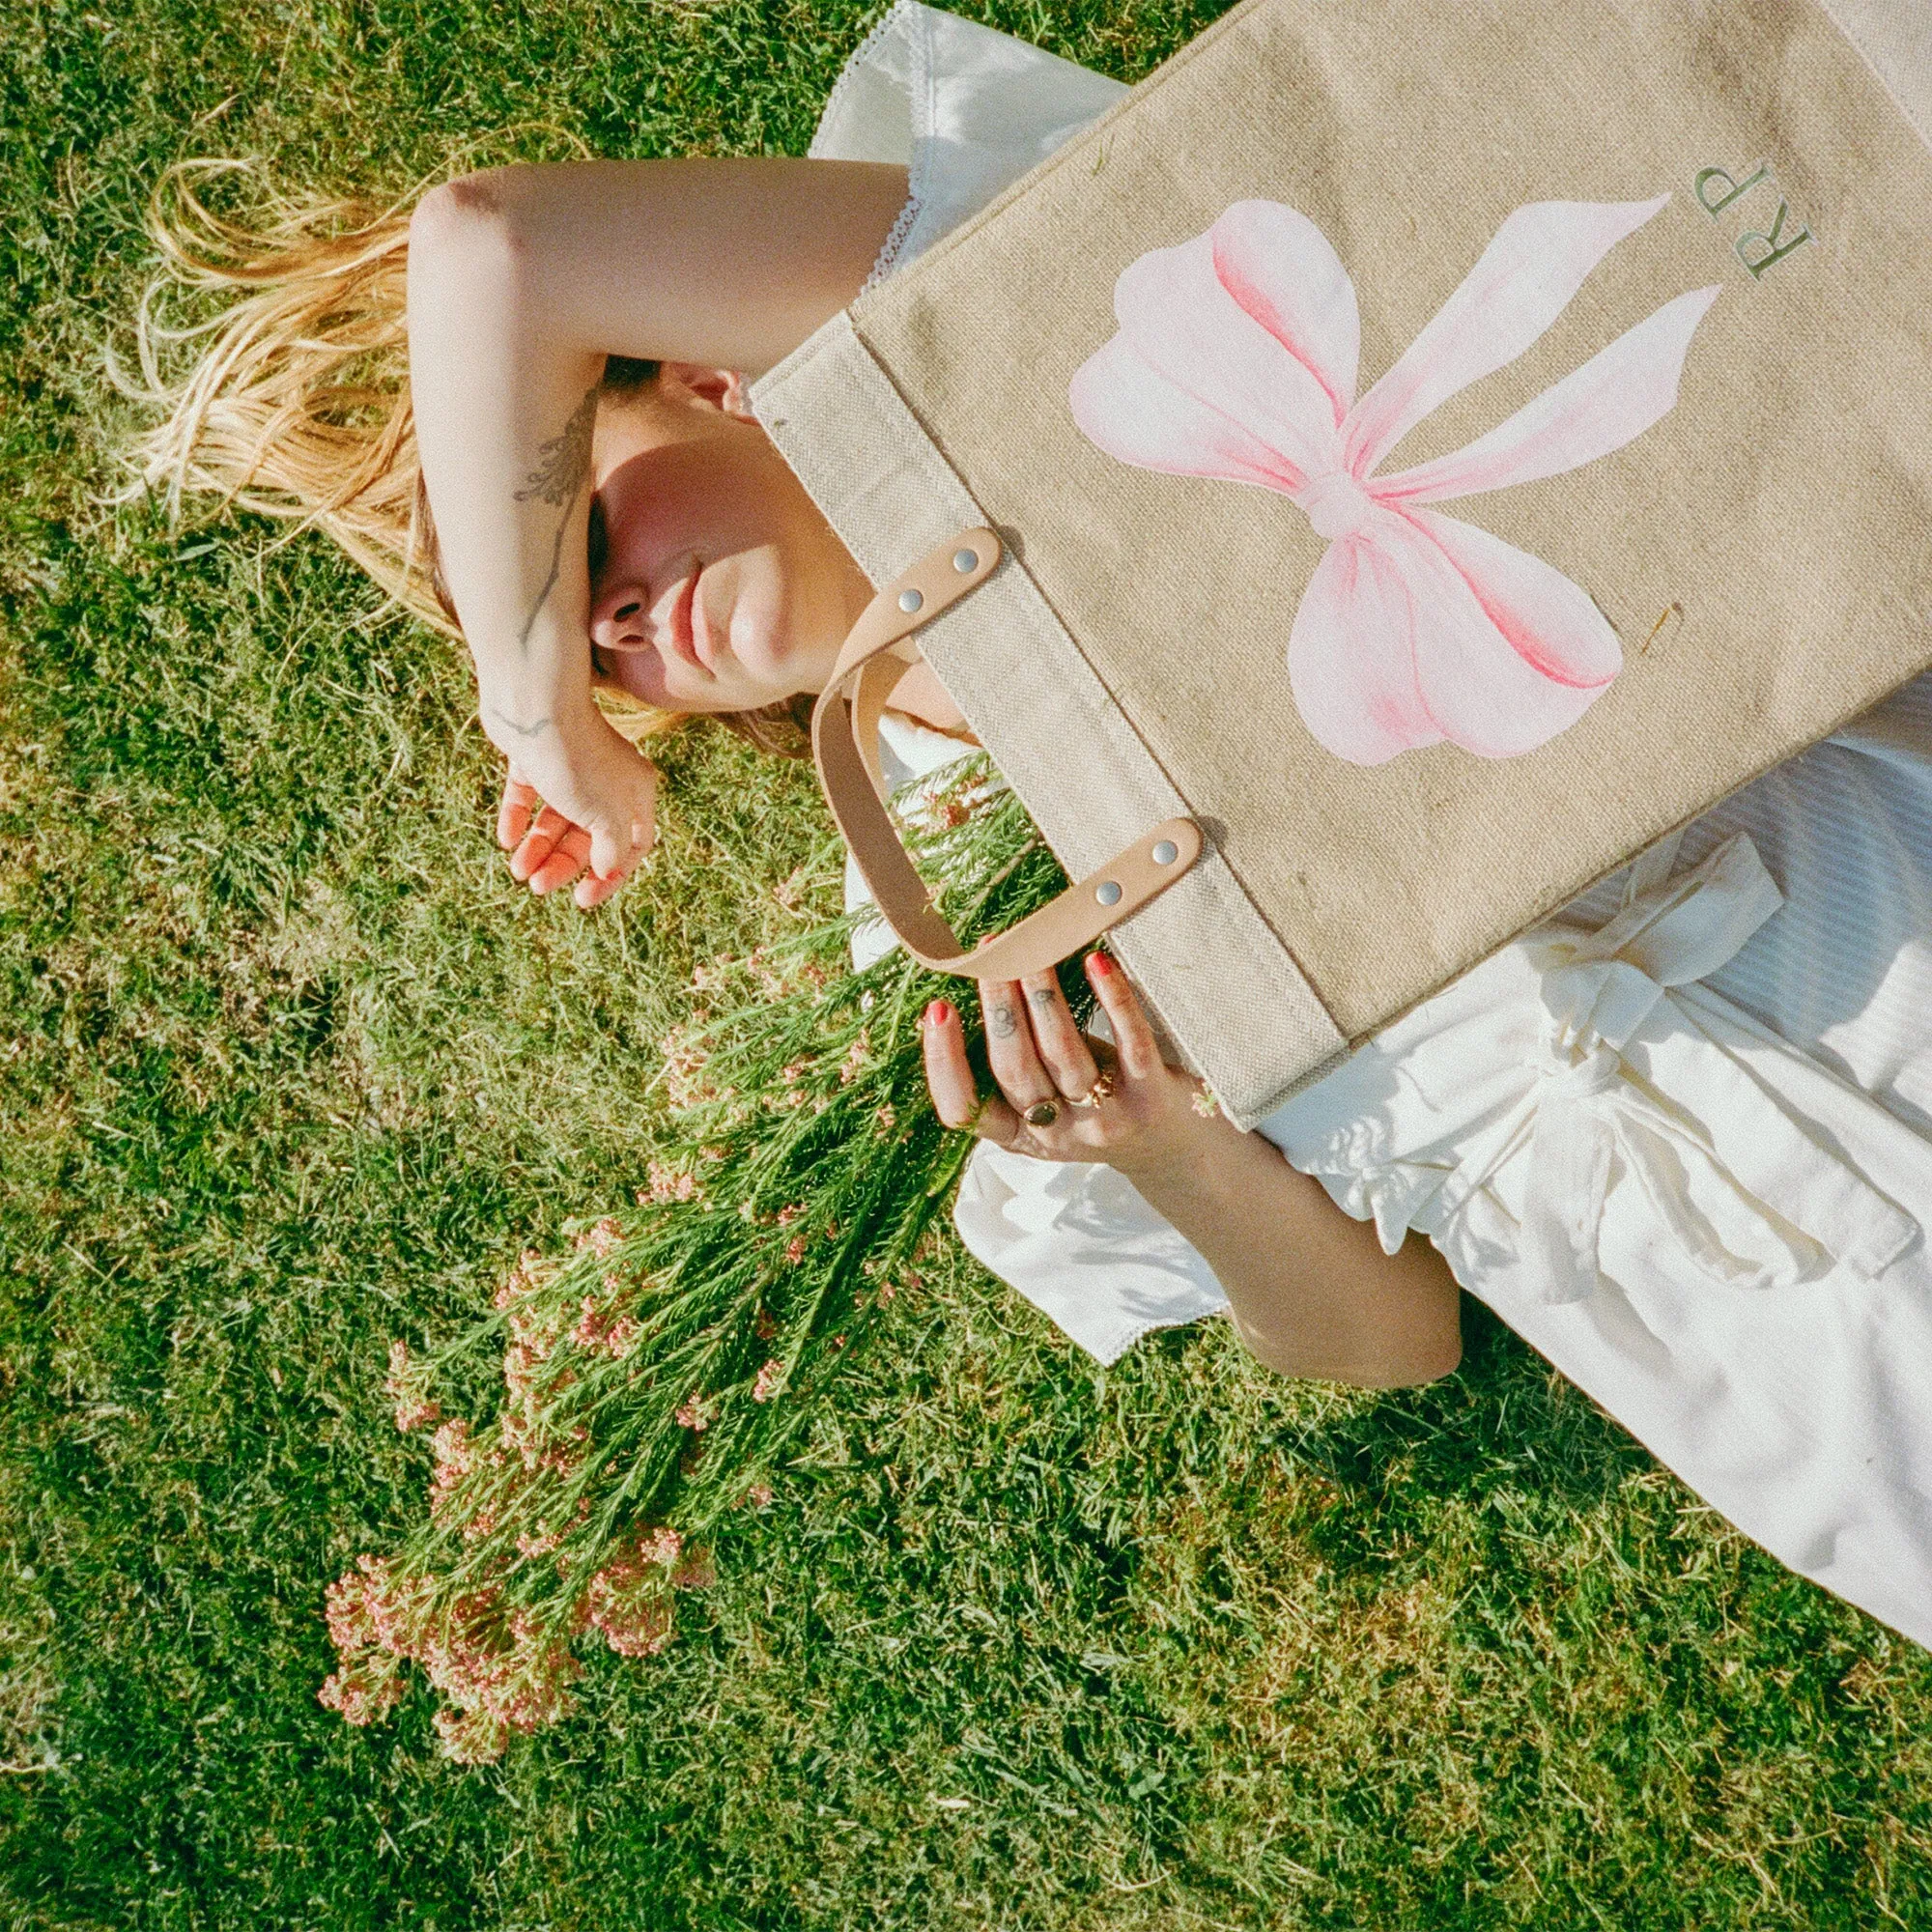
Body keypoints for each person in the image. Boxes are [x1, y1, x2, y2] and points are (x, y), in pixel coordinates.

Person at [130, 1, 1932, 1645]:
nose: (607, 627)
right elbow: (1394, 1341)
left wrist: (529, 712)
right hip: (1790, 1364)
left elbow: (496, 244)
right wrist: (1167, 1153)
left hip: (1870, 937)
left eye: (582, 543)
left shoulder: (988, 370)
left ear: (707, 377)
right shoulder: (928, 941)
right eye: (602, 663)